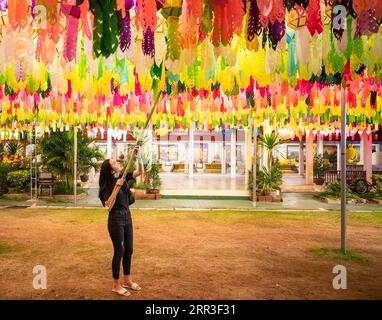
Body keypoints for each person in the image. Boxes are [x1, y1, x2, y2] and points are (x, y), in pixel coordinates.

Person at [98, 145, 144, 297]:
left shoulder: (123, 176)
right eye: (114, 162)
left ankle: (128, 280)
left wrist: (138, 156)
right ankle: (116, 285)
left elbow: (139, 172)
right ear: (111, 170)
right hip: (115, 218)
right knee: (120, 251)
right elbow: (108, 205)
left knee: (129, 249)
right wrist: (115, 189)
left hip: (127, 216)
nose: (117, 162)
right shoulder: (106, 185)